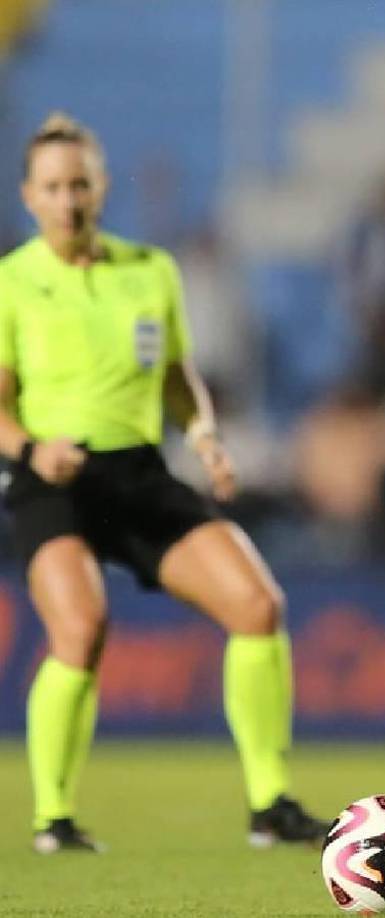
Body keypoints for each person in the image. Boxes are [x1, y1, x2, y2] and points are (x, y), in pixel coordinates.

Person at [0, 114, 327, 853]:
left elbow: (180, 377)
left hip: (140, 472)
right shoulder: (12, 282)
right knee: (80, 629)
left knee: (257, 604)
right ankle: (53, 817)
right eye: (52, 187)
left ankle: (269, 805)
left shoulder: (150, 270)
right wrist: (29, 448)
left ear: (101, 186)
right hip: (53, 480)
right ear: (29, 196)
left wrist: (205, 434)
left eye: (79, 183)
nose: (68, 199)